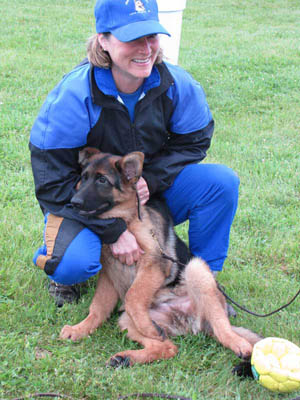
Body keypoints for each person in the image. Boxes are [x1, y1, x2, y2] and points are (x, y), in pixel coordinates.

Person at [29, 0, 240, 307]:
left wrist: (151, 179)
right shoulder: (73, 96)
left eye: (151, 36)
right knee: (73, 264)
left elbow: (195, 141)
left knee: (219, 183)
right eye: (131, 38)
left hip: (145, 192)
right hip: (86, 201)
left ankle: (203, 284)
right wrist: (113, 231)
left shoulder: (176, 83)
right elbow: (52, 183)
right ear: (103, 39)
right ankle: (60, 260)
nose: (145, 49)